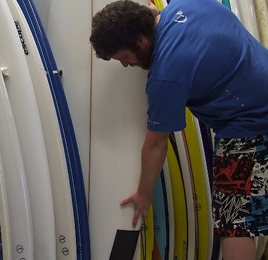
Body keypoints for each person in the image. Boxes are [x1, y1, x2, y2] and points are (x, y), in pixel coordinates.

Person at [90, 0, 268, 259]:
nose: (126, 65)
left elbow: (156, 144)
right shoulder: (189, 4)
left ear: (141, 40)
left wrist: (143, 193)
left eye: (124, 57)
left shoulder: (165, 76)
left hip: (248, 126)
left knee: (235, 224)